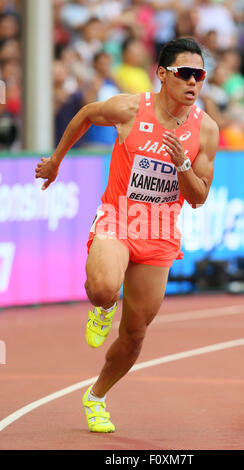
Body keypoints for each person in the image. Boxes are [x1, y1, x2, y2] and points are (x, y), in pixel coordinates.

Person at [35, 37, 219, 433]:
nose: (193, 83)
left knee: (135, 333)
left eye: (199, 75)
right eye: (185, 74)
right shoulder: (131, 108)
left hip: (160, 231)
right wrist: (55, 161)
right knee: (103, 286)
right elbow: (85, 114)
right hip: (119, 217)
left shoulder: (205, 130)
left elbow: (200, 197)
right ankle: (103, 306)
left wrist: (182, 164)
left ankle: (96, 396)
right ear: (163, 74)